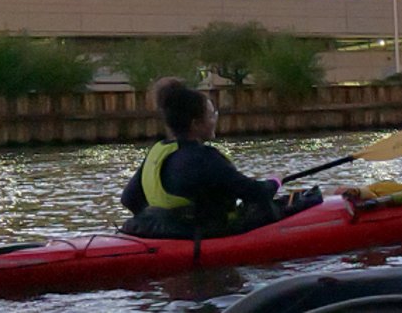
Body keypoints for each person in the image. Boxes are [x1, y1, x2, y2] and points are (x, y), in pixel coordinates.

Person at [119, 78, 287, 240]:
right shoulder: (205, 157)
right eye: (211, 115)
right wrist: (275, 181)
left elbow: (129, 199)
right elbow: (257, 193)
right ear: (196, 124)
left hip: (156, 233)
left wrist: (163, 221)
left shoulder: (157, 151)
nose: (215, 119)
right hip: (198, 237)